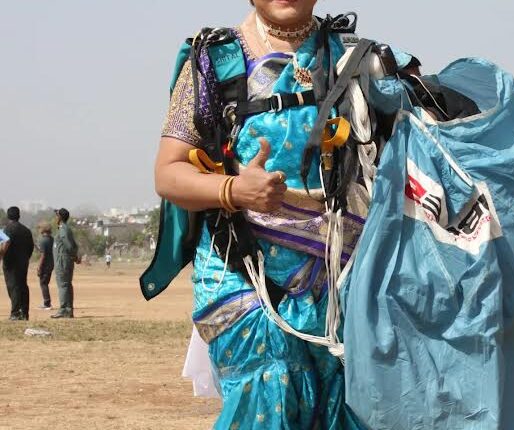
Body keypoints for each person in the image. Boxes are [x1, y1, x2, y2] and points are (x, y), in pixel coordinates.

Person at [147, 0, 426, 427]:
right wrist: (234, 188)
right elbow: (169, 174)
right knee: (269, 395)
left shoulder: (357, 58)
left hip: (341, 283)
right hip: (241, 274)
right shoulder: (215, 62)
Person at [2, 207, 34, 321]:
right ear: (19, 216)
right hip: (23, 263)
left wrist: (2, 257)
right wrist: (25, 258)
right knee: (23, 286)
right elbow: (31, 247)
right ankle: (24, 313)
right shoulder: (26, 230)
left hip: (10, 263)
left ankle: (15, 313)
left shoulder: (7, 229)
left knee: (13, 286)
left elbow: (5, 244)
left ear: (8, 216)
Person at [52, 208, 78, 319]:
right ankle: (68, 309)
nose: (55, 217)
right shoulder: (64, 229)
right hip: (64, 260)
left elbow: (69, 245)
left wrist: (74, 256)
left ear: (60, 217)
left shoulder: (63, 229)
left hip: (63, 261)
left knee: (63, 285)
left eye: (57, 215)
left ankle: (64, 309)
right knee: (66, 285)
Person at [36, 223, 55, 310]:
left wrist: (39, 266)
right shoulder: (52, 239)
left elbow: (43, 255)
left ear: (42, 230)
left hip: (45, 265)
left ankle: (47, 303)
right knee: (45, 282)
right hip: (51, 263)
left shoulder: (43, 240)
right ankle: (47, 302)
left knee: (43, 283)